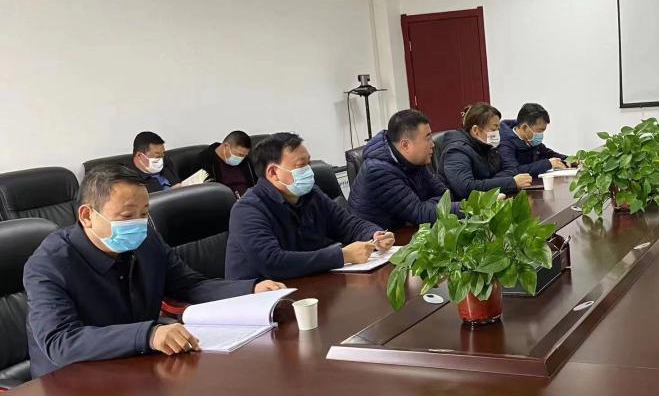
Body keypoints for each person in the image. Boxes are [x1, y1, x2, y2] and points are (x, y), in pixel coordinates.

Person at [23, 165, 285, 378]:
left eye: (144, 214)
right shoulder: (49, 264)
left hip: (135, 367)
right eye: (127, 216)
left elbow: (189, 285)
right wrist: (148, 334)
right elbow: (61, 341)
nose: (138, 224)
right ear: (87, 216)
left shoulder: (146, 240)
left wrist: (251, 289)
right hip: (73, 384)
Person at [225, 132, 395, 280]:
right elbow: (272, 262)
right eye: (301, 166)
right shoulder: (248, 210)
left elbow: (347, 224)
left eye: (309, 163)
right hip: (261, 297)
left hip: (308, 283)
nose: (309, 171)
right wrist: (342, 256)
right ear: (273, 173)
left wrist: (374, 234)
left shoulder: (312, 195)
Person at [349, 110, 460, 230]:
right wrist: (466, 207)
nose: (432, 144)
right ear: (405, 145)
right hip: (378, 238)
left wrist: (424, 207)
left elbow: (445, 195)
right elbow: (421, 215)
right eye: (427, 138)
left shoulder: (414, 161)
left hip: (404, 231)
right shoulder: (378, 171)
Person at [440, 103, 532, 200]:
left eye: (498, 129)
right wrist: (511, 183)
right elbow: (466, 188)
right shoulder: (456, 151)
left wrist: (487, 183)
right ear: (476, 130)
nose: (497, 133)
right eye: (493, 129)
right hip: (461, 206)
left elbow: (511, 169)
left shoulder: (488, 146)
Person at [498, 103, 570, 177]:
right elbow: (512, 171)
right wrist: (547, 164)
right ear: (524, 127)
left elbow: (548, 154)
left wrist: (569, 159)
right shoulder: (504, 143)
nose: (541, 134)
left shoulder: (530, 141)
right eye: (539, 131)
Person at [198, 130, 257, 198]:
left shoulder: (246, 161)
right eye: (240, 155)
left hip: (251, 200)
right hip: (223, 202)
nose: (241, 158)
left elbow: (255, 183)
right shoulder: (205, 161)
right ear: (226, 147)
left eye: (244, 156)